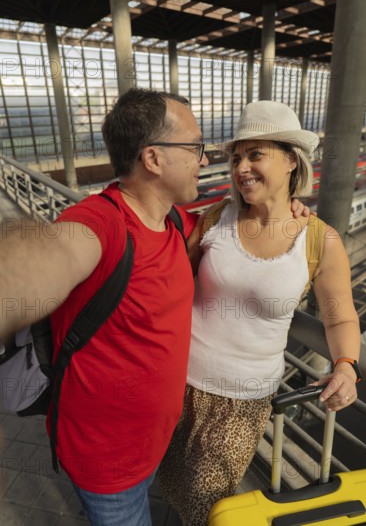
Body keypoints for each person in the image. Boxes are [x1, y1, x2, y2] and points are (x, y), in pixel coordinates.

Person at [0, 89, 309, 526]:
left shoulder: (174, 226)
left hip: (154, 446)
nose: (205, 161)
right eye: (196, 147)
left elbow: (233, 226)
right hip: (107, 464)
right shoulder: (100, 225)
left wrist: (281, 208)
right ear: (153, 159)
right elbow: (49, 255)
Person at [158, 100, 361, 526]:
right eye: (236, 157)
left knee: (206, 504)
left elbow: (340, 317)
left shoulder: (319, 241)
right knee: (168, 482)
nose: (241, 167)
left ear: (291, 161)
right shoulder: (216, 219)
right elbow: (171, 284)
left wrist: (345, 365)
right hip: (175, 381)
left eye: (256, 154)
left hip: (242, 402)